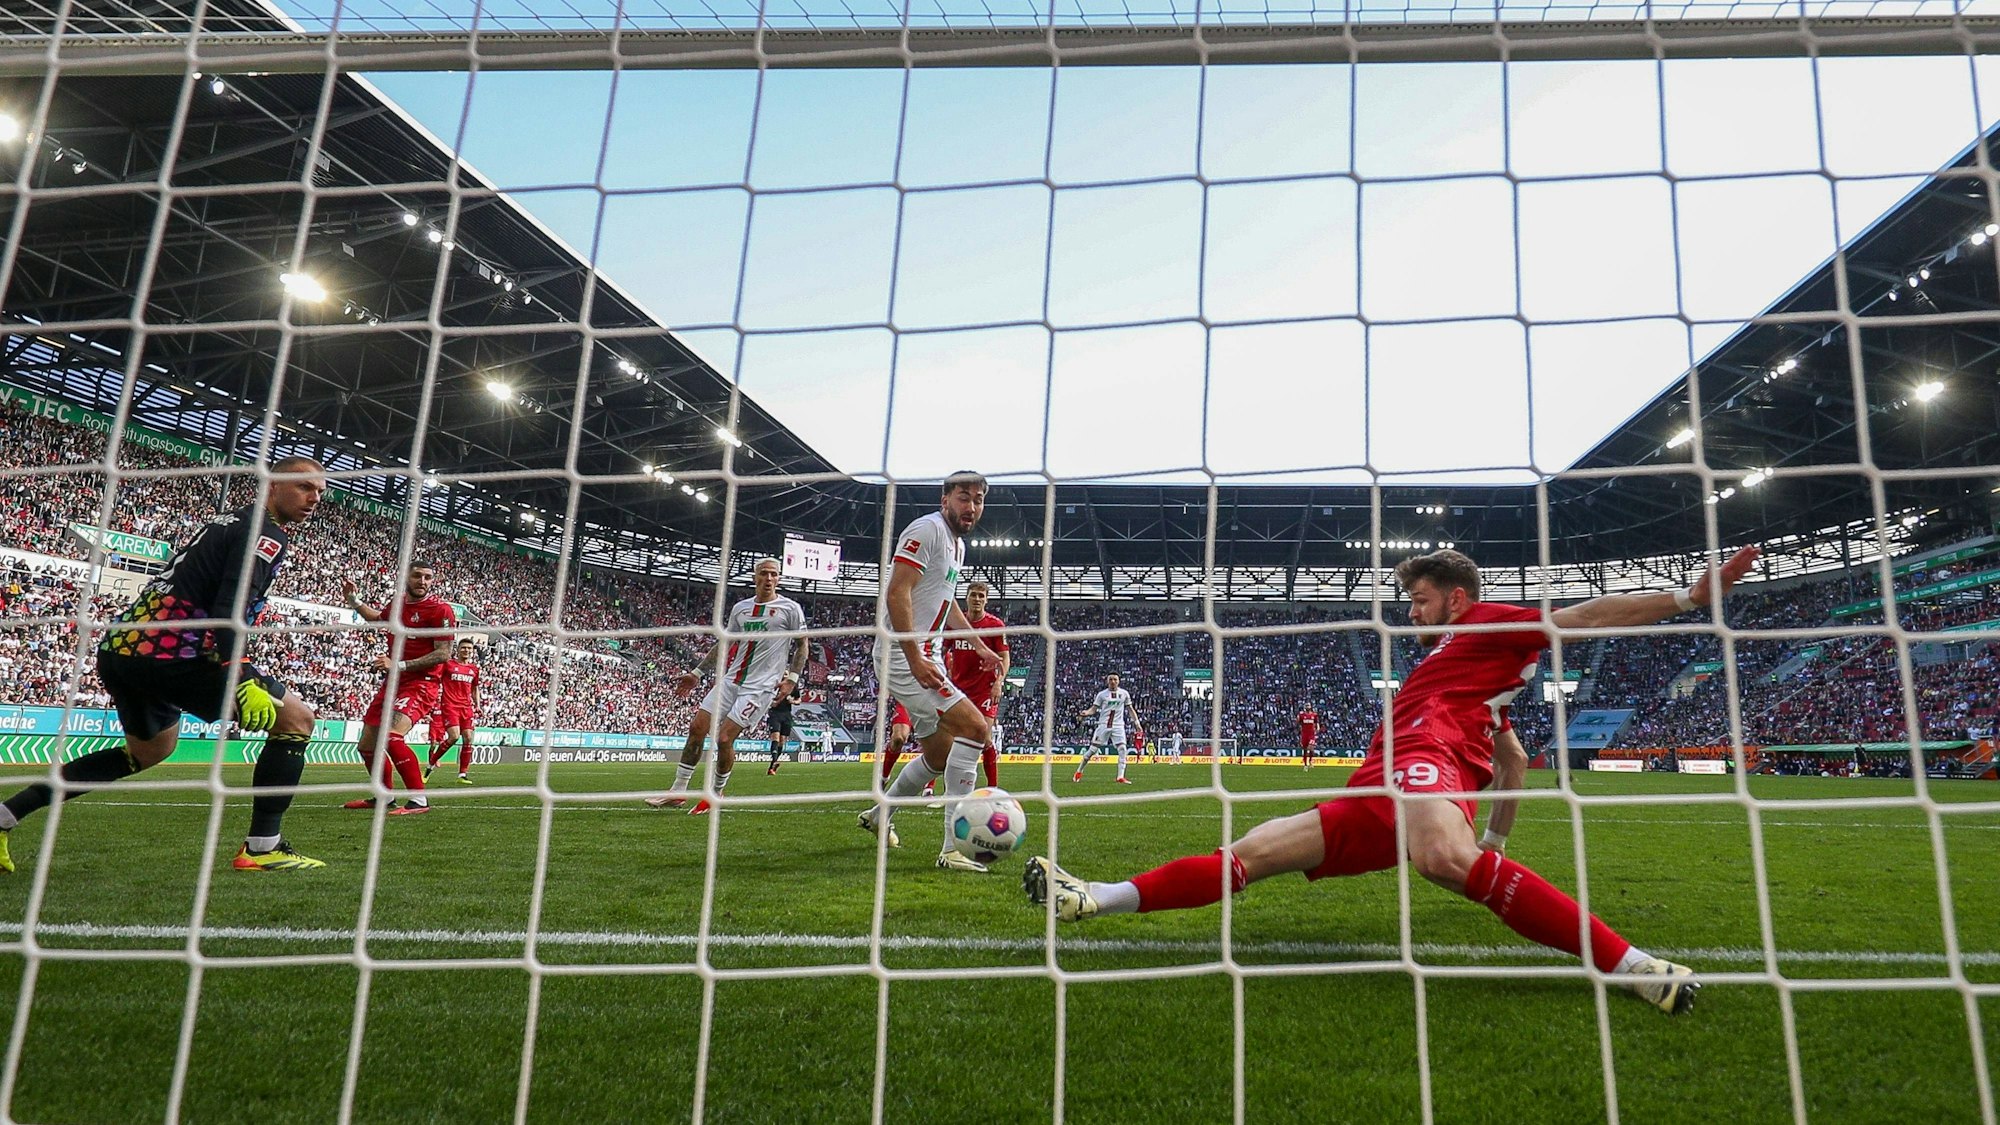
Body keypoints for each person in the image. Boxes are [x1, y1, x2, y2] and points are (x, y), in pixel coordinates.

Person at [1026, 545, 1762, 1016]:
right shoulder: (1465, 665)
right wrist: (1495, 834)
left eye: (1420, 600)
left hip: (1424, 761)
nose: (1410, 613)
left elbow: (1584, 614)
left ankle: (1630, 964)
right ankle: (1094, 897)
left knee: (1443, 859)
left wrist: (1686, 600)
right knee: (1256, 848)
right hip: (1380, 782)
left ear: (1458, 598)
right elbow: (1508, 757)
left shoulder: (1491, 625)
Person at [0, 458, 331, 873]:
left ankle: (4, 816)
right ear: (272, 485)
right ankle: (263, 847)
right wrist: (240, 673)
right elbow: (230, 609)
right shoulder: (265, 534)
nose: (315, 497)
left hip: (123, 649)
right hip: (171, 654)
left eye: (319, 490)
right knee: (297, 720)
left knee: (150, 750)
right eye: (304, 487)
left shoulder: (227, 522)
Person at [857, 472, 1002, 871]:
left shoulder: (957, 547)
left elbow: (946, 601)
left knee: (938, 756)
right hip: (904, 655)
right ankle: (953, 848)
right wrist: (915, 656)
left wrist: (978, 645)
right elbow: (897, 591)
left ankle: (879, 814)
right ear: (945, 498)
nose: (970, 507)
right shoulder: (927, 529)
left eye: (977, 500)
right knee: (976, 728)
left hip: (926, 654)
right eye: (963, 497)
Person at [646, 558, 807, 815]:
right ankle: (678, 791)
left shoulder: (790, 609)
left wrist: (792, 679)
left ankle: (716, 793)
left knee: (723, 738)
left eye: (774, 574)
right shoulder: (741, 609)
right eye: (764, 573)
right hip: (732, 680)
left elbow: (802, 645)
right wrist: (697, 673)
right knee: (697, 728)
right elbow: (724, 643)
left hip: (760, 687)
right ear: (755, 577)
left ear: (779, 579)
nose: (768, 578)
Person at [341, 562, 457, 815]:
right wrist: (353, 600)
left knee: (392, 736)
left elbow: (444, 653)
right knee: (367, 745)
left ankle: (419, 800)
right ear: (406, 577)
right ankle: (384, 797)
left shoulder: (440, 610)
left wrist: (399, 664)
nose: (423, 581)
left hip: (421, 682)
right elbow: (376, 619)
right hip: (393, 682)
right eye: (417, 576)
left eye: (428, 577)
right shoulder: (397, 604)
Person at [946, 580, 1010, 788]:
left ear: (987, 600)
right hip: (958, 689)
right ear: (967, 598)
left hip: (985, 690)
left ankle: (993, 789)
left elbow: (1004, 657)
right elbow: (940, 649)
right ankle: (934, 788)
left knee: (984, 738)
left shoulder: (995, 626)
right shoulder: (955, 622)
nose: (977, 599)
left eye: (981, 596)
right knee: (948, 739)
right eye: (973, 595)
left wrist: (999, 681)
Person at [425, 639, 481, 784]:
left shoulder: (474, 669)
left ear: (472, 650)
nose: (466, 650)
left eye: (469, 648)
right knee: (454, 736)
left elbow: (474, 689)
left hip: (466, 707)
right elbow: (436, 681)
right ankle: (432, 763)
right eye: (463, 648)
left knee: (468, 738)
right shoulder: (448, 665)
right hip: (450, 705)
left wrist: (478, 705)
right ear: (458, 649)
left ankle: (462, 774)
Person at [1074, 673, 1143, 784]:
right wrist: (1086, 712)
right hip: (1103, 726)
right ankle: (1079, 771)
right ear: (1107, 681)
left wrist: (1137, 723)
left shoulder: (1124, 694)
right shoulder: (1102, 695)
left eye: (1115, 679)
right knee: (1091, 751)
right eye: (1110, 679)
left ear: (1118, 681)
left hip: (1118, 726)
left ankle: (1120, 776)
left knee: (1122, 749)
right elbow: (1094, 709)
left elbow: (1130, 709)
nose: (1113, 681)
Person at [764, 692, 795, 776]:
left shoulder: (792, 686)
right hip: (775, 714)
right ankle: (775, 761)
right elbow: (768, 699)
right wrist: (774, 702)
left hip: (787, 716)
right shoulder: (775, 684)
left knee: (782, 741)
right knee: (775, 738)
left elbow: (798, 699)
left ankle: (772, 767)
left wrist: (793, 701)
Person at [1299, 702, 1320, 771]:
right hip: (1304, 734)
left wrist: (1317, 728)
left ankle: (1311, 761)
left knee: (1311, 748)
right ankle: (1305, 764)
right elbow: (1298, 723)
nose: (1307, 706)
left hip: (1311, 734)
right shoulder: (1301, 715)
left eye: (1308, 705)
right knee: (1305, 750)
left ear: (1311, 707)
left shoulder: (1314, 715)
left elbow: (1317, 723)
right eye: (1306, 705)